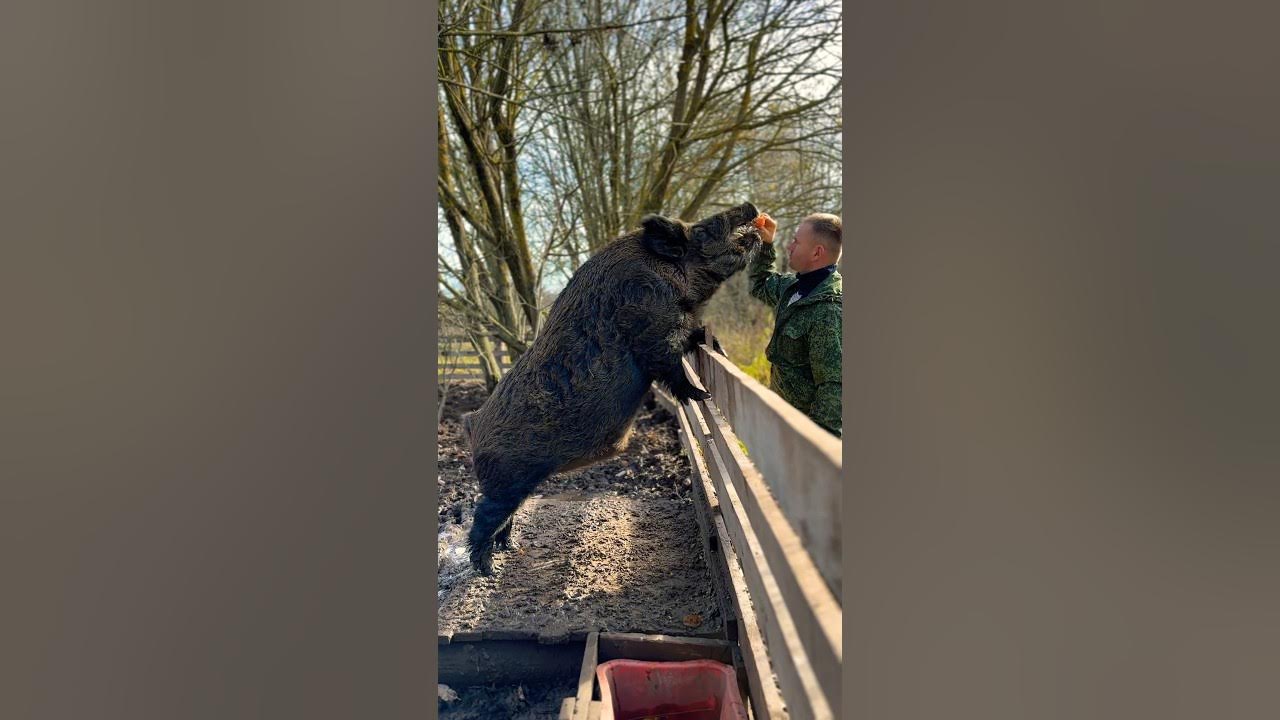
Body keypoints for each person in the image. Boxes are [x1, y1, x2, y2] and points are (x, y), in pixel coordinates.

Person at [748, 212, 842, 436]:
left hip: (802, 438)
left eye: (796, 242)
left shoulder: (829, 310)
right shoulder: (792, 287)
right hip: (782, 422)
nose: (789, 247)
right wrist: (766, 243)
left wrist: (815, 449)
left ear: (816, 252)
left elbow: (834, 388)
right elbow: (759, 285)